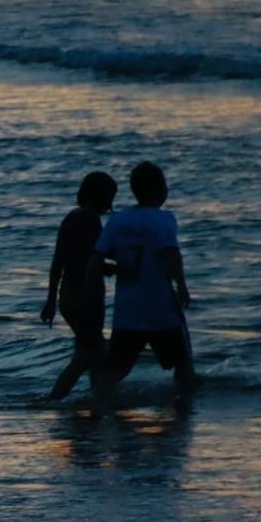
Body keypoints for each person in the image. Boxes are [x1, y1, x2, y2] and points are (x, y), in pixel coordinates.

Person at [94, 161, 194, 395]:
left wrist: (101, 276)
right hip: (161, 307)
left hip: (127, 308)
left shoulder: (117, 220)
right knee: (183, 362)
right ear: (161, 190)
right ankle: (184, 412)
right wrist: (182, 285)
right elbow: (171, 252)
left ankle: (96, 402)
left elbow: (98, 254)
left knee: (117, 367)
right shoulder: (164, 219)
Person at [40, 170, 118, 402]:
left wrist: (51, 300)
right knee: (86, 355)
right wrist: (115, 264)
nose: (110, 204)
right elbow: (93, 257)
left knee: (97, 353)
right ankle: (53, 401)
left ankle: (98, 400)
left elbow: (60, 261)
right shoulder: (91, 220)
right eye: (109, 198)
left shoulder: (71, 218)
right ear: (99, 197)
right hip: (86, 296)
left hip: (68, 295)